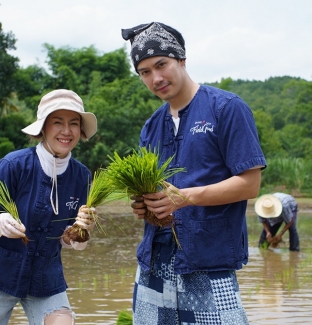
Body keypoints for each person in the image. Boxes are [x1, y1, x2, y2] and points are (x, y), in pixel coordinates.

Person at [121, 22, 266, 324]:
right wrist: (146, 205)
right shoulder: (151, 126)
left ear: (182, 60)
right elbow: (156, 190)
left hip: (208, 260)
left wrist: (183, 198)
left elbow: (250, 184)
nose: (156, 78)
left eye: (161, 64)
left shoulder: (225, 108)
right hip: (154, 262)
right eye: (144, 72)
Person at [0, 89, 98, 325]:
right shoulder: (14, 165)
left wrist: (82, 231)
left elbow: (72, 242)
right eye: (58, 122)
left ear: (81, 130)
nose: (66, 131)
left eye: (74, 124)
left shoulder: (82, 176)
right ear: (43, 128)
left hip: (45, 277)